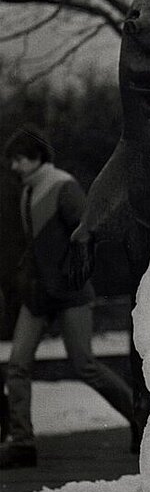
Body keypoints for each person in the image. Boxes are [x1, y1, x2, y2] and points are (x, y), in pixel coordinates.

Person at [0, 125, 134, 469]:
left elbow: (88, 236)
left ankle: (143, 419)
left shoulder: (63, 186)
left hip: (70, 293)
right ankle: (22, 444)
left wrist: (69, 276)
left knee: (84, 365)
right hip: (38, 296)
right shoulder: (27, 193)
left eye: (18, 159)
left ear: (34, 158)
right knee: (17, 365)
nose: (14, 167)